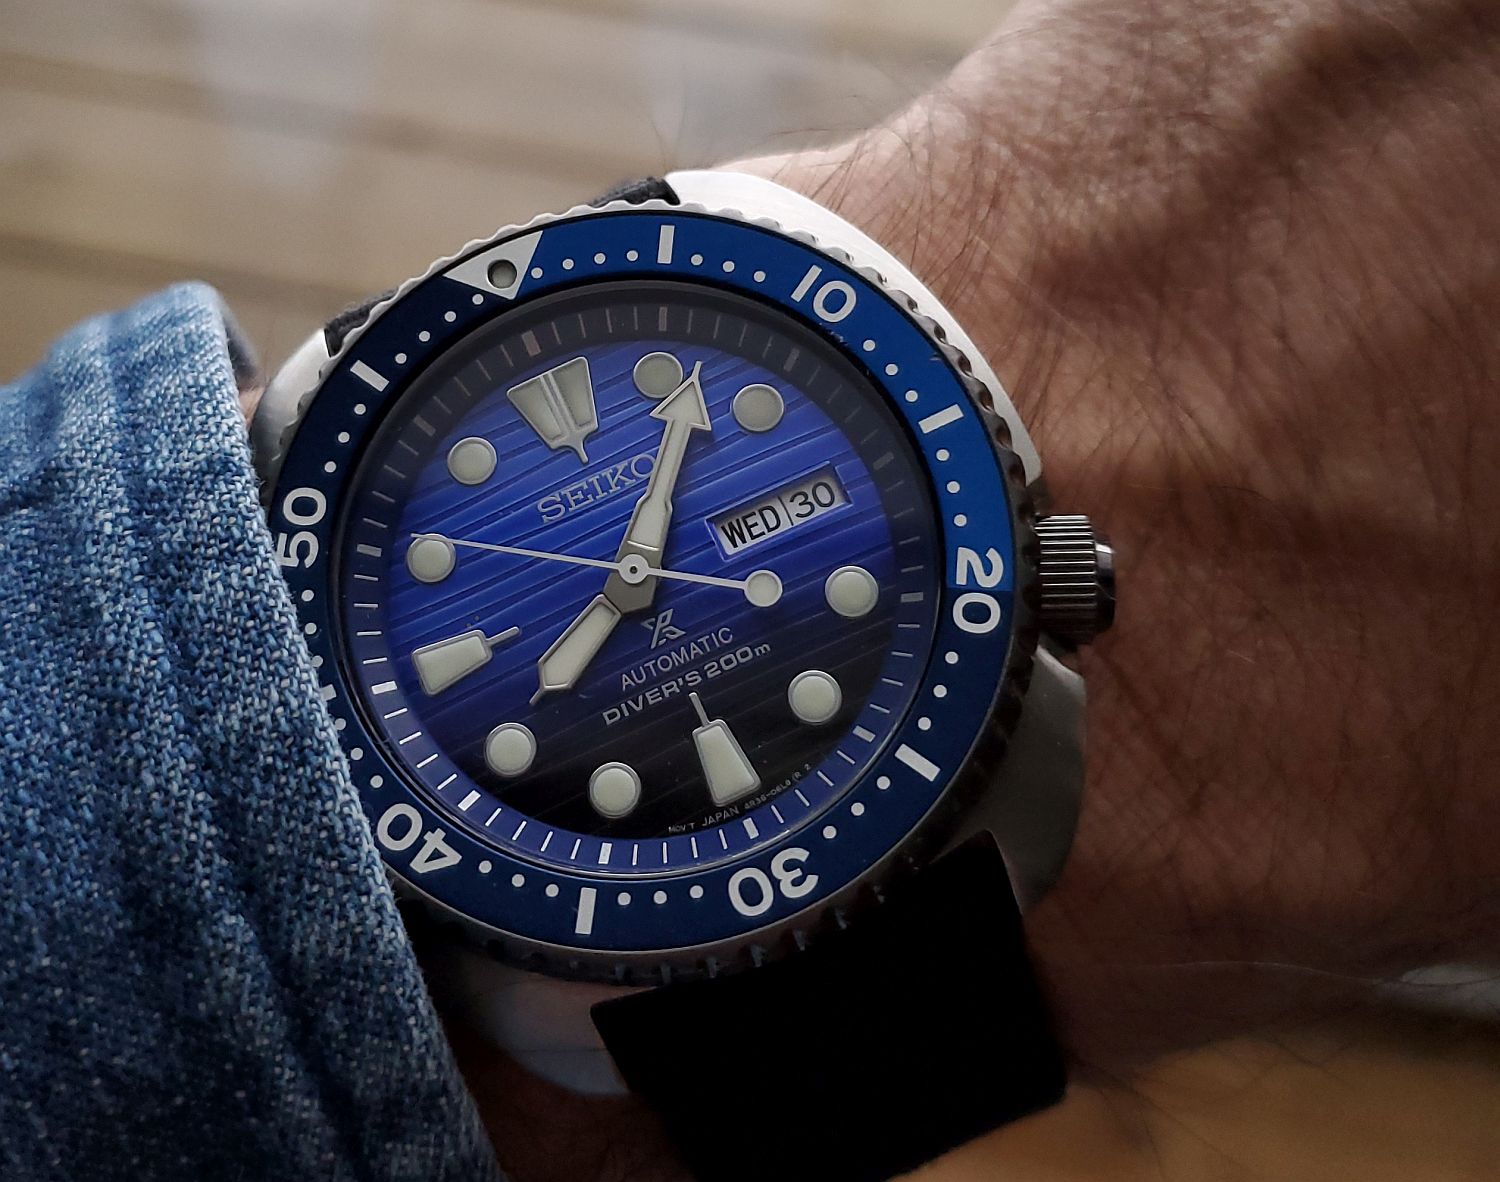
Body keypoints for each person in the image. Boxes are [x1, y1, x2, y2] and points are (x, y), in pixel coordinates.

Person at [3, 0, 1497, 1178]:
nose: (635, 575)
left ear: (1061, 582)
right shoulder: (554, 1031)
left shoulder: (590, 1005)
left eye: (639, 557)